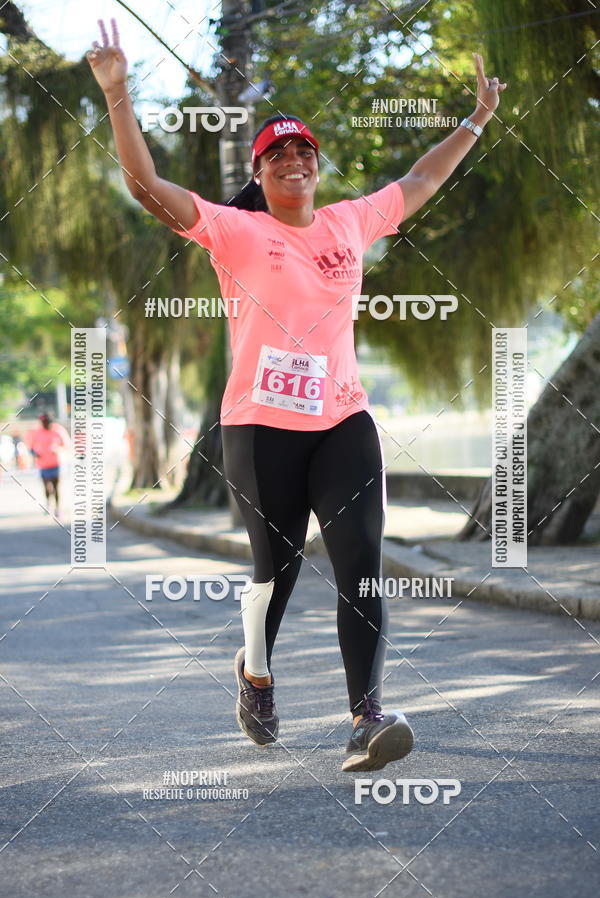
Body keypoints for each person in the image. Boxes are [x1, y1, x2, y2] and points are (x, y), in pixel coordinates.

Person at [87, 19, 506, 771]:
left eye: (304, 151)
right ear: (260, 172)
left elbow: (421, 181)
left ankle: (366, 717)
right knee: (274, 571)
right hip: (259, 427)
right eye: (277, 154)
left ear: (317, 166)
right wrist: (118, 93)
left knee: (361, 563)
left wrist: (476, 120)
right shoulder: (235, 230)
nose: (293, 161)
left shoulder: (350, 221)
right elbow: (147, 187)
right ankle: (255, 673)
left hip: (343, 419)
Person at [26, 413, 69, 517]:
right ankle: (48, 504)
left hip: (56, 464)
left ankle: (57, 508)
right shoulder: (37, 432)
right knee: (46, 487)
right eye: (43, 422)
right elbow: (30, 446)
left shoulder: (58, 430)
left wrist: (58, 449)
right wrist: (34, 453)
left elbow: (66, 444)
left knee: (56, 487)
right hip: (42, 465)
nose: (45, 424)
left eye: (46, 422)